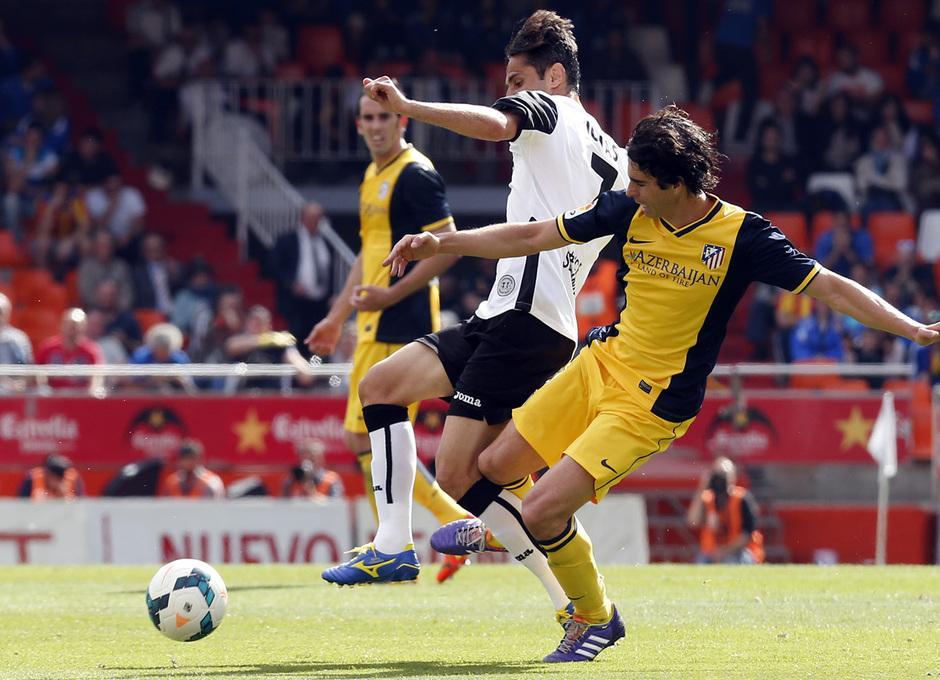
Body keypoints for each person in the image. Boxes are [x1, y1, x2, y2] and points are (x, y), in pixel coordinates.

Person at [389, 106, 940, 662]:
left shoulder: (742, 236)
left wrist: (911, 328)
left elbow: (833, 288)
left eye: (640, 182)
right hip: (599, 364)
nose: (629, 189)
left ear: (676, 184)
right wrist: (443, 244)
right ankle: (507, 530)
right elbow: (535, 234)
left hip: (652, 403)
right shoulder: (628, 208)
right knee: (491, 468)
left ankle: (594, 618)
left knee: (542, 511)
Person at [321, 9, 628, 629]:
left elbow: (494, 124)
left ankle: (577, 602)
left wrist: (409, 104)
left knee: (463, 477)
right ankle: (393, 544)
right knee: (382, 387)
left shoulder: (551, 111)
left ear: (555, 76)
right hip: (509, 315)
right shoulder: (617, 156)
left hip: (527, 324)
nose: (510, 92)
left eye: (518, 80)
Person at [306, 75, 471, 584]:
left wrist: (391, 296)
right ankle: (403, 539)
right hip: (375, 319)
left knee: (368, 434)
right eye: (368, 118)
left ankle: (413, 538)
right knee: (364, 437)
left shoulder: (416, 174)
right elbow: (369, 254)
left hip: (404, 319)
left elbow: (449, 244)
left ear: (401, 120)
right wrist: (337, 316)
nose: (376, 125)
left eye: (384, 117)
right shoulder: (372, 175)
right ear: (358, 125)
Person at [271, 202, 334, 350]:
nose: (315, 221)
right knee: (297, 339)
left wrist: (332, 293)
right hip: (296, 302)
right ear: (303, 218)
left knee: (318, 340)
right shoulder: (287, 240)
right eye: (311, 217)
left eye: (318, 218)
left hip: (321, 302)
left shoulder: (325, 243)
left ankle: (316, 364)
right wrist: (291, 283)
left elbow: (329, 271)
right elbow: (273, 267)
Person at [686, 457, 764, 564]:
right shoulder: (708, 498)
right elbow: (692, 521)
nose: (721, 480)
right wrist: (702, 486)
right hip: (712, 552)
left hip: (739, 551)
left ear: (733, 476)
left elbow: (747, 534)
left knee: (730, 561)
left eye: (724, 475)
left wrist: (724, 551)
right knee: (702, 563)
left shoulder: (742, 499)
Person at [35, 308, 104, 395]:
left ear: (84, 328)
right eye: (69, 325)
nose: (72, 331)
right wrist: (43, 388)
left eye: (76, 326)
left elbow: (97, 378)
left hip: (81, 397)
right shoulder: (48, 348)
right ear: (62, 325)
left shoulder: (91, 350)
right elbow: (38, 373)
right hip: (53, 396)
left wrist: (92, 393)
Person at [159, 439, 224, 498]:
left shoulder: (211, 482)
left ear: (200, 459)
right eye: (185, 458)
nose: (189, 462)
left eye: (192, 458)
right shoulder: (172, 481)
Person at [0, 292, 33, 392]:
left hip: (12, 392)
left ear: (7, 314)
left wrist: (19, 384)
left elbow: (28, 369)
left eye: (0, 312)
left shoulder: (19, 339)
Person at [18, 454, 85, 500]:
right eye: (54, 476)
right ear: (47, 473)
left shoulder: (73, 479)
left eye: (60, 477)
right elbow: (21, 505)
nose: (57, 480)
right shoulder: (32, 478)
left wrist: (64, 497)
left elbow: (80, 506)